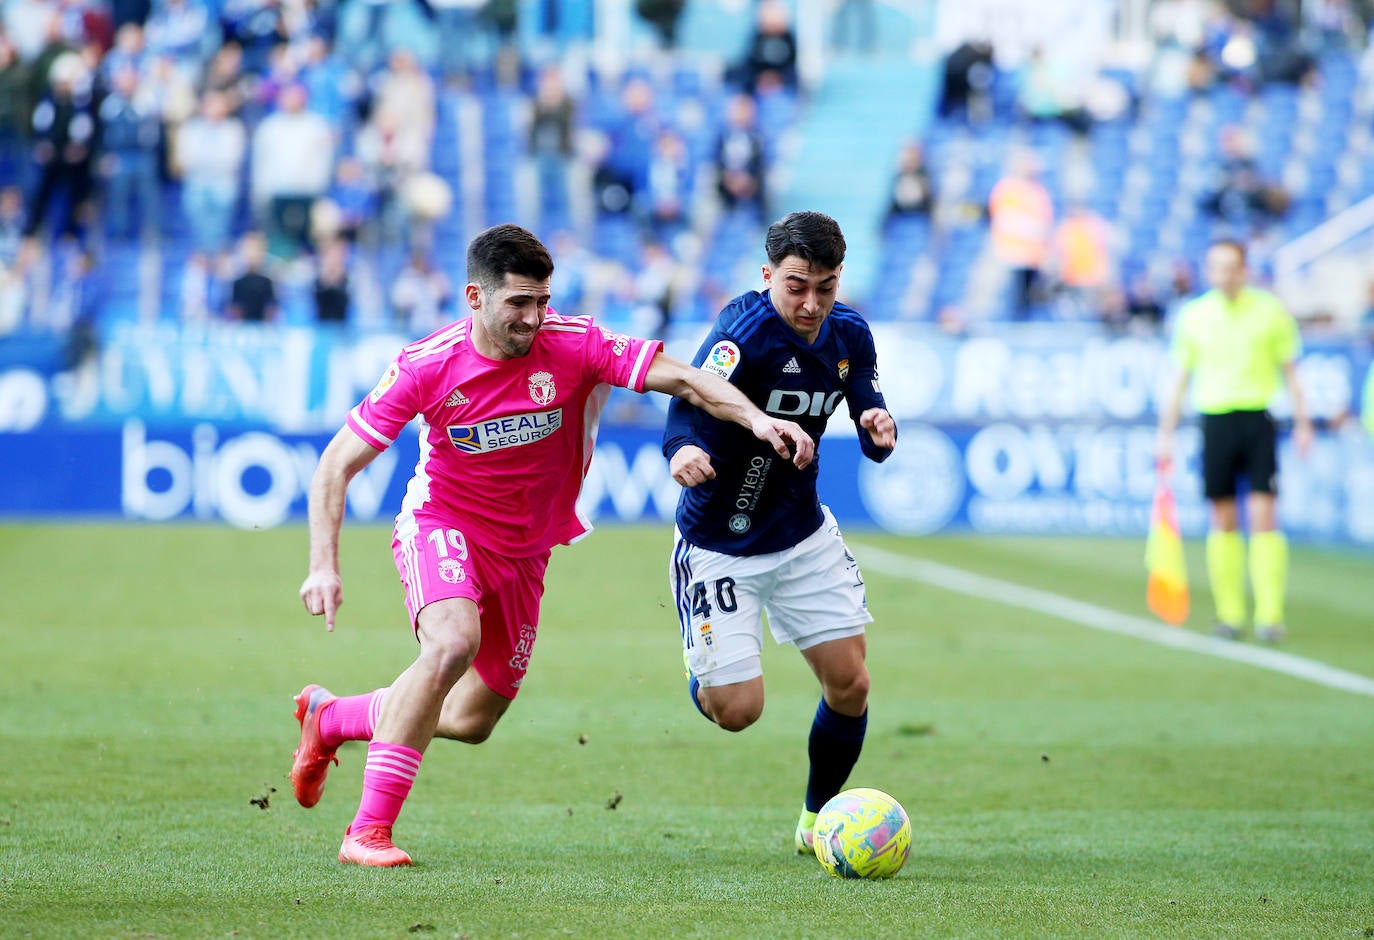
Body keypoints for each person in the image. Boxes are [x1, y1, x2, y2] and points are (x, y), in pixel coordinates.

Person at [291, 223, 815, 867]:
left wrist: (757, 419)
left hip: (527, 550)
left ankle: (333, 717)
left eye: (543, 301)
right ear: (474, 297)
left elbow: (684, 379)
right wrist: (324, 566)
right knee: (452, 645)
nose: (536, 318)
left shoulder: (578, 343)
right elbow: (334, 466)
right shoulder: (426, 365)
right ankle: (366, 833)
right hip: (443, 525)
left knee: (468, 720)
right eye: (519, 303)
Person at [660, 211, 896, 855]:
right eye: (797, 285)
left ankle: (818, 819)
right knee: (737, 712)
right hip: (721, 541)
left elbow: (866, 400)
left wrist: (879, 426)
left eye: (826, 285)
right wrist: (681, 449)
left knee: (851, 684)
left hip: (801, 534)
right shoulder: (743, 331)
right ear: (768, 276)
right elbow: (688, 399)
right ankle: (704, 670)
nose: (812, 302)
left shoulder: (849, 334)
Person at [1156, 239, 1313, 643]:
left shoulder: (1270, 313)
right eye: (1216, 266)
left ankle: (1270, 614)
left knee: (1264, 515)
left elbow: (1292, 372)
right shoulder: (1194, 316)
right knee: (1222, 517)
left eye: (1231, 266)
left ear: (1244, 270)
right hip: (1215, 420)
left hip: (1257, 419)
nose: (1224, 274)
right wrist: (1165, 434)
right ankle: (1229, 612)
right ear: (1208, 271)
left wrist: (1303, 422)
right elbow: (1179, 380)